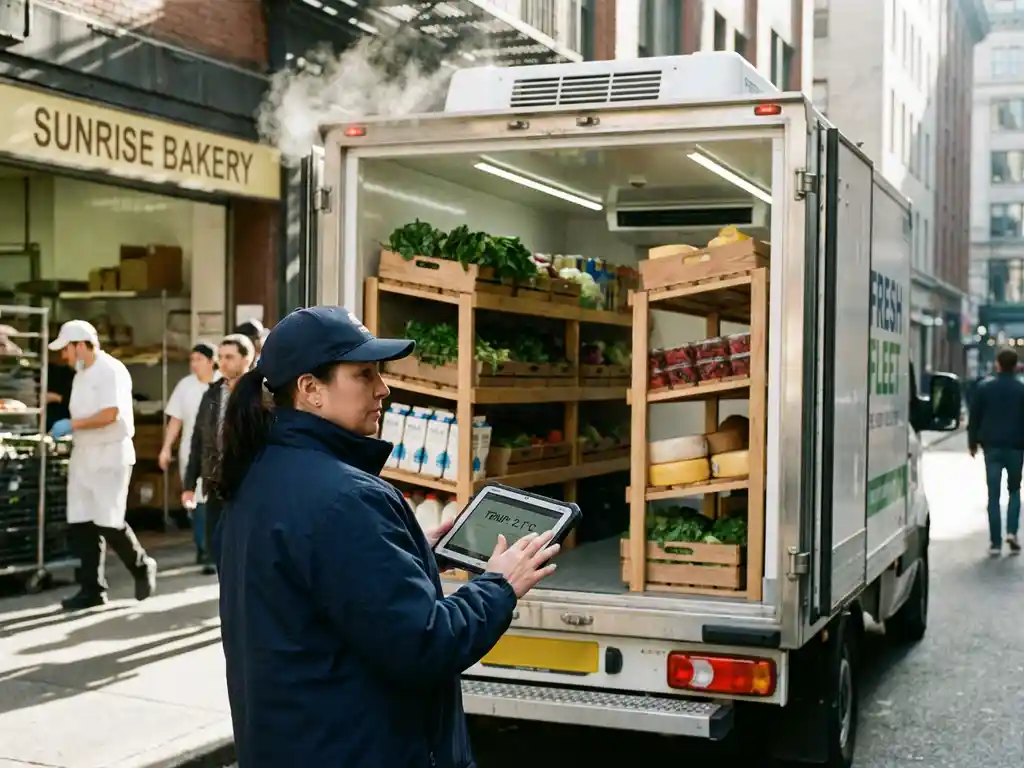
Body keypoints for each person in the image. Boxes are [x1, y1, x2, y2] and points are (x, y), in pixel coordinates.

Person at [212, 307, 559, 768]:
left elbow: (321, 585)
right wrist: (499, 585)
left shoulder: (256, 476)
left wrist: (413, 554)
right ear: (310, 390)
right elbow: (426, 644)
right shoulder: (345, 497)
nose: (384, 388)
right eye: (364, 374)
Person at [47, 320, 157, 610]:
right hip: (84, 452)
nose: (64, 357)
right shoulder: (81, 375)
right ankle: (91, 588)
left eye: (67, 350)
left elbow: (111, 414)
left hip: (110, 453)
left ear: (81, 345)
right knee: (81, 520)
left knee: (108, 519)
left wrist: (72, 424)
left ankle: (141, 565)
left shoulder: (110, 370)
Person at [182, 333, 254, 575]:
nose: (223, 363)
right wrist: (189, 484)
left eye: (230, 357)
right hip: (215, 482)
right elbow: (198, 439)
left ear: (247, 359)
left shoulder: (259, 394)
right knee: (219, 552)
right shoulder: (212, 393)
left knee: (246, 553)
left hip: (248, 483)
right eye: (220, 357)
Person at [159, 342, 219, 564]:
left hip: (218, 452)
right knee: (194, 497)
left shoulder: (222, 382)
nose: (194, 364)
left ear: (211, 361)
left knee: (212, 499)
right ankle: (203, 547)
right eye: (192, 360)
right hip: (191, 450)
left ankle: (211, 549)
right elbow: (175, 420)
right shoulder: (185, 386)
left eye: (199, 359)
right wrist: (166, 448)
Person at [968, 346, 1024, 556]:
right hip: (1016, 447)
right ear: (1016, 366)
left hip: (991, 447)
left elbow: (975, 417)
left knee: (993, 496)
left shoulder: (984, 388)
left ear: (998, 365)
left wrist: (972, 442)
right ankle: (1011, 531)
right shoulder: (1021, 390)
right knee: (1015, 490)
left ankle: (995, 543)